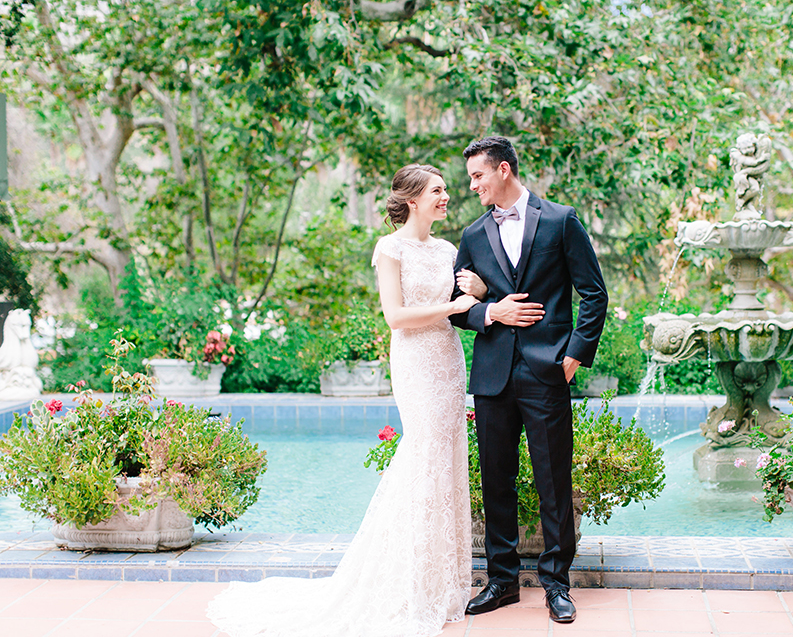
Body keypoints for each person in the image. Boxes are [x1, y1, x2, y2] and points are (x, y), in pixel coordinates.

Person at [208, 164, 487, 637]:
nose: (447, 197)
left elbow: (472, 290)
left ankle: (444, 580)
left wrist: (476, 292)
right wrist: (455, 307)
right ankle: (408, 581)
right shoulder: (390, 248)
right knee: (423, 457)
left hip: (448, 359)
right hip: (417, 361)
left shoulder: (447, 249)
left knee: (449, 459)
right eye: (438, 191)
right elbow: (396, 317)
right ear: (414, 199)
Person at [449, 136, 608, 624]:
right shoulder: (474, 234)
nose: (472, 186)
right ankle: (501, 581)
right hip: (493, 374)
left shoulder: (561, 221)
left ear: (503, 169)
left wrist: (573, 357)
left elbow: (593, 294)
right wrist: (488, 309)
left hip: (547, 370)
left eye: (478, 176)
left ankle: (556, 584)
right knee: (497, 479)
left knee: (553, 480)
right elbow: (457, 308)